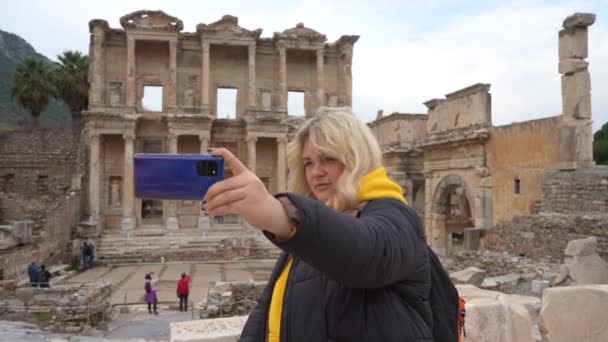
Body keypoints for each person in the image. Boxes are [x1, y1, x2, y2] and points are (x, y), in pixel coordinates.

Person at [204, 107, 432, 342]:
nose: (316, 172)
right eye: (308, 163)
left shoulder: (396, 215)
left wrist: (281, 215)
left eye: (328, 159)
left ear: (357, 157)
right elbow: (268, 308)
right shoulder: (307, 234)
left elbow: (366, 253)